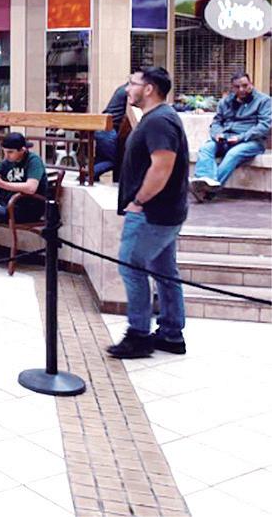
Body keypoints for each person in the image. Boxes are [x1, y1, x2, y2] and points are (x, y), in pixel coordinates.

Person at [108, 67, 190, 359]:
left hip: (152, 214)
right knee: (165, 272)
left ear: (149, 89)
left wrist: (139, 201)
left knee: (131, 268)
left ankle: (139, 335)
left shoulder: (159, 121)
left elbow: (162, 167)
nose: (126, 89)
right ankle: (171, 333)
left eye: (132, 83)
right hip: (163, 212)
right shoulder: (158, 118)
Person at [189, 72, 271, 202]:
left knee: (233, 154)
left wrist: (241, 138)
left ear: (251, 84)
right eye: (237, 87)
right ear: (232, 87)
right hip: (226, 138)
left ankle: (207, 191)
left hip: (251, 141)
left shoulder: (264, 101)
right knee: (206, 148)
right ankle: (203, 180)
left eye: (245, 86)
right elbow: (217, 122)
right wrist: (217, 134)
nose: (242, 90)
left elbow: (264, 125)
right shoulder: (225, 102)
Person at [95, 81, 129, 180]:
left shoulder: (122, 89)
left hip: (103, 129)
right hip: (109, 129)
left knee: (102, 159)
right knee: (112, 162)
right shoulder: (129, 91)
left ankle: (89, 176)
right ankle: (87, 175)